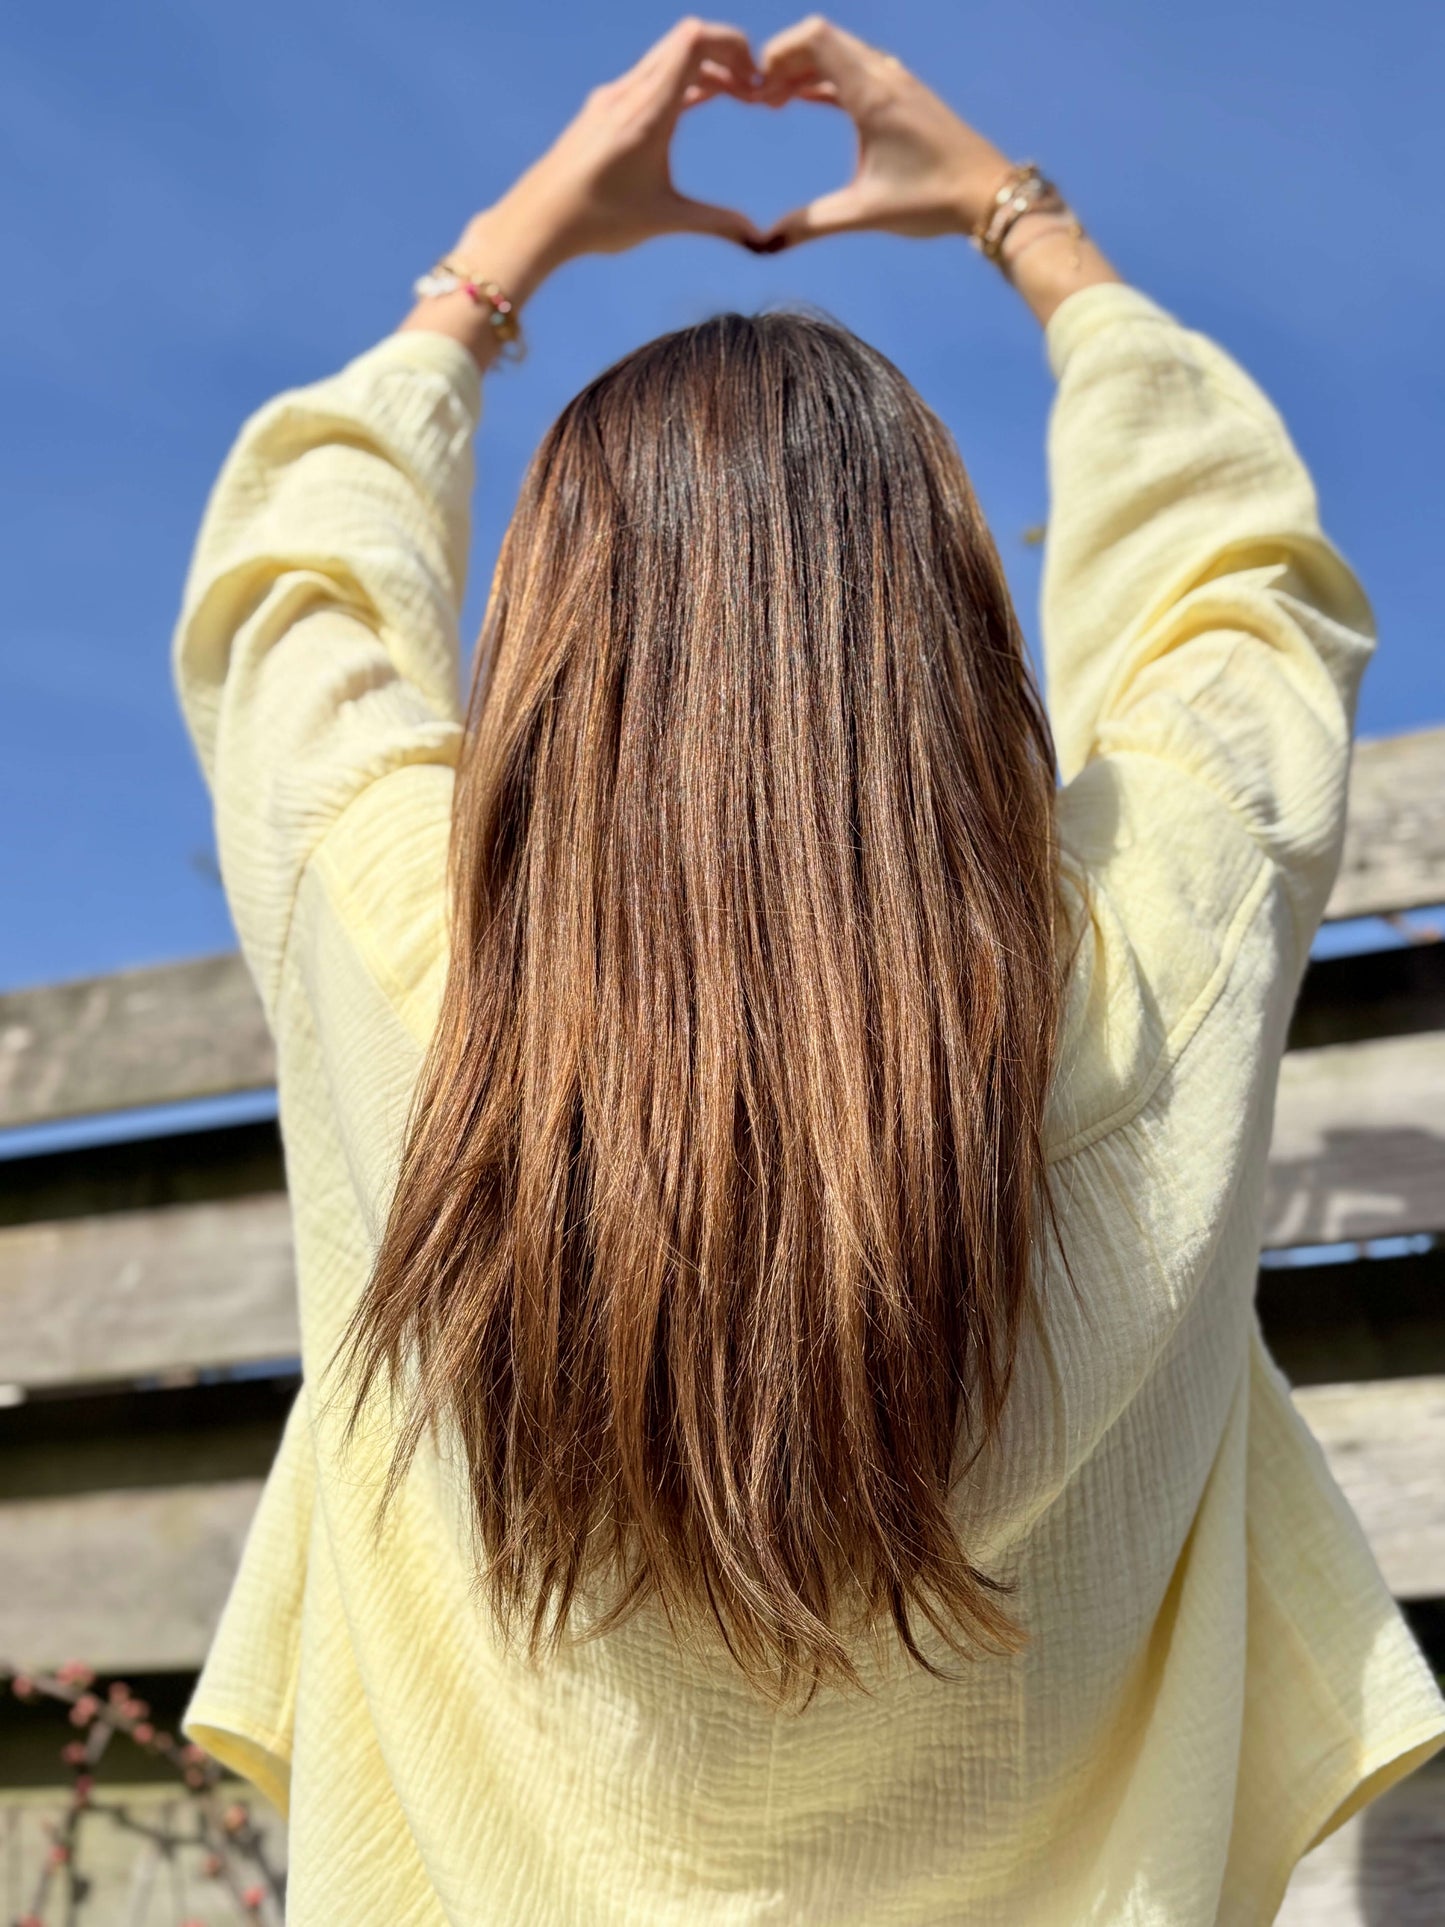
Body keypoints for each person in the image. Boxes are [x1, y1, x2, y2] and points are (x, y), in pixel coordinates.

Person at [170, 17, 1445, 1923]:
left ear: (547, 667)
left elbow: (300, 587)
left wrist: (494, 265)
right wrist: (1024, 220)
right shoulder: (1152, 948)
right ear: (950, 643)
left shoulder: (397, 945)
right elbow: (1238, 583)